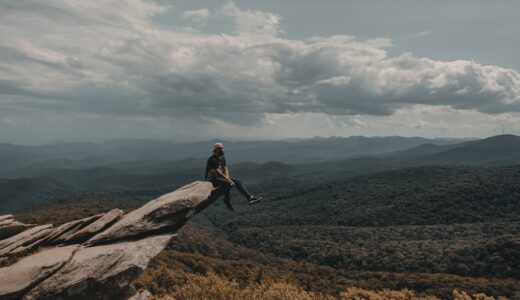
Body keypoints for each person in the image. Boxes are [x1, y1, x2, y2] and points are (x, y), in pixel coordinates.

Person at [205, 142, 263, 211]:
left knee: (238, 181)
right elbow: (218, 172)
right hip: (212, 179)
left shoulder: (222, 158)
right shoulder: (212, 159)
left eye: (223, 148)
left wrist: (227, 177)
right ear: (217, 150)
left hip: (220, 178)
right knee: (228, 183)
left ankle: (250, 198)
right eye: (221, 149)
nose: (223, 150)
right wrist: (228, 180)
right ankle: (227, 200)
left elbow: (225, 169)